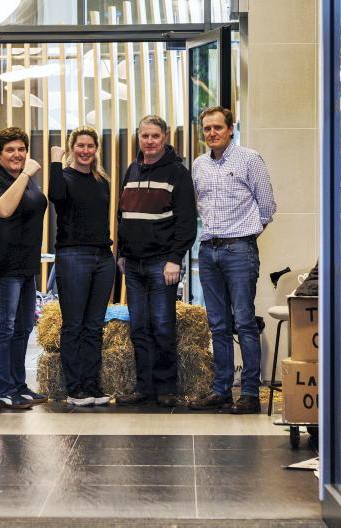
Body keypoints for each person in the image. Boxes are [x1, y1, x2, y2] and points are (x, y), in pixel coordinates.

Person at [189, 106, 277, 414]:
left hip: (239, 249)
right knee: (218, 325)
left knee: (244, 322)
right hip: (208, 251)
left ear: (230, 129)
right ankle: (221, 390)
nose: (212, 133)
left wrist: (245, 236)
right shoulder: (198, 165)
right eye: (207, 128)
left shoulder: (249, 159)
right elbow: (199, 205)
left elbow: (267, 207)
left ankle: (250, 394)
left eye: (217, 127)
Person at [116, 115, 197, 407]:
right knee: (139, 328)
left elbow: (186, 222)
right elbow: (122, 215)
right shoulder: (132, 169)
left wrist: (175, 259)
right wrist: (122, 252)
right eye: (144, 136)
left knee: (162, 326)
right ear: (138, 138)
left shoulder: (177, 173)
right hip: (133, 264)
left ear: (164, 137)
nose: (149, 141)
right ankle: (144, 387)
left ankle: (166, 388)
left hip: (162, 263)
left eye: (155, 136)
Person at [49, 127, 115, 407]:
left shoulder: (102, 181)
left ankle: (91, 384)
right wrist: (55, 161)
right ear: (71, 148)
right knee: (74, 324)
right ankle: (75, 388)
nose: (85, 151)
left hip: (103, 257)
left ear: (96, 149)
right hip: (73, 256)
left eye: (90, 146)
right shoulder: (63, 178)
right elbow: (55, 196)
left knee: (94, 326)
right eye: (80, 146)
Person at [0, 127, 48, 410]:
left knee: (23, 328)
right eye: (10, 150)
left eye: (21, 149)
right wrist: (25, 175)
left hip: (27, 266)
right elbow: (3, 210)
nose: (17, 154)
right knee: (4, 328)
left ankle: (18, 385)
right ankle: (4, 390)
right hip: (5, 267)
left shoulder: (27, 180)